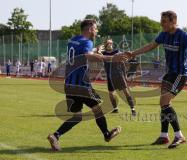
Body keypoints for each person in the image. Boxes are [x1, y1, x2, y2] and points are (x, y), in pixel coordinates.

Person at [47, 19, 129, 151]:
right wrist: (113, 58)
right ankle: (106, 135)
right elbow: (88, 55)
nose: (97, 31)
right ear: (90, 28)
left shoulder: (73, 40)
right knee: (98, 109)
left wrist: (97, 48)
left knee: (77, 116)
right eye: (95, 28)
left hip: (69, 84)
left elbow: (84, 52)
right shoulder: (87, 42)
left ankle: (55, 136)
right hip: (82, 85)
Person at [127, 11, 187, 149]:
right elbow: (151, 45)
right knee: (163, 104)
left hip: (180, 74)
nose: (161, 23)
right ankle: (164, 136)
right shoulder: (164, 34)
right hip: (169, 74)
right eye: (161, 20)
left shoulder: (183, 35)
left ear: (173, 22)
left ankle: (179, 136)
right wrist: (133, 53)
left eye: (164, 21)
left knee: (164, 102)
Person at [102, 39, 136, 115]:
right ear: (105, 44)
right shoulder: (103, 53)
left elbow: (123, 64)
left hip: (118, 75)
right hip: (110, 76)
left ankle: (132, 109)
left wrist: (125, 75)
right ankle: (115, 109)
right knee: (111, 93)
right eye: (108, 43)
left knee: (126, 91)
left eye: (111, 43)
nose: (110, 44)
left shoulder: (117, 52)